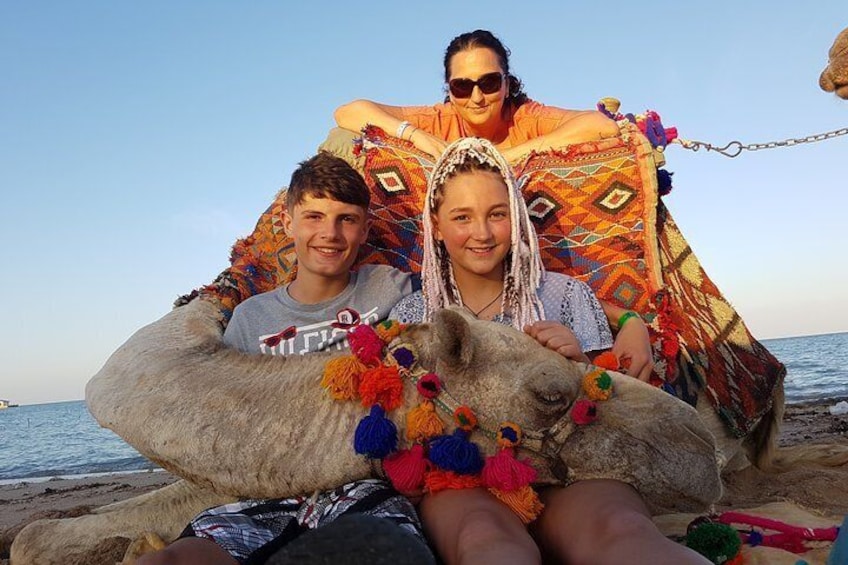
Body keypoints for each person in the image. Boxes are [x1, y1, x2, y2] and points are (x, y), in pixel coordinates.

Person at [390, 138, 710, 565]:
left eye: (497, 214)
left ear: (518, 218)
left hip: (568, 472)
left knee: (622, 531)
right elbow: (403, 416)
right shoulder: (415, 316)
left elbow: (614, 409)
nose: (482, 233)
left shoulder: (566, 297)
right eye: (462, 217)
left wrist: (577, 366)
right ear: (436, 224)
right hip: (463, 479)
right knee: (487, 544)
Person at [138, 153, 433, 565]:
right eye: (313, 216)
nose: (329, 234)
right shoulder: (250, 318)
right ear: (288, 222)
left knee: (379, 546)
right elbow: (231, 417)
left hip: (367, 487)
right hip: (271, 494)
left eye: (346, 219)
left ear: (365, 228)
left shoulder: (396, 289)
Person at [336, 29, 654, 381]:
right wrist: (415, 136)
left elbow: (600, 126)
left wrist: (506, 158)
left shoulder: (526, 117)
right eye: (462, 86)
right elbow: (348, 113)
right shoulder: (440, 120)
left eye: (489, 82)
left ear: (506, 83)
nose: (476, 97)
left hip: (529, 262)